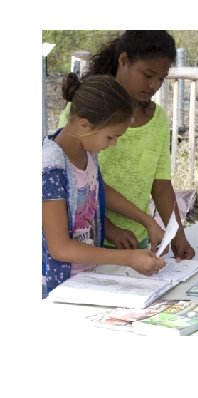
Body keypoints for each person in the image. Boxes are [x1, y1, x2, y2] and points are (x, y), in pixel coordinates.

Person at [58, 30, 195, 260]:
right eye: (148, 74)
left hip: (137, 242)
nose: (154, 85)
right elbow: (75, 185)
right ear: (123, 60)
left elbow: (160, 185)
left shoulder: (158, 119)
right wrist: (110, 228)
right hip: (86, 244)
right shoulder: (86, 110)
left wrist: (177, 235)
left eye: (161, 78)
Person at [43, 73, 166, 298]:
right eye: (110, 137)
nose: (113, 144)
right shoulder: (51, 169)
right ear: (84, 124)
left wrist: (142, 222)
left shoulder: (87, 153)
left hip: (85, 278)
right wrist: (129, 258)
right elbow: (60, 248)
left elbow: (97, 191)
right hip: (56, 287)